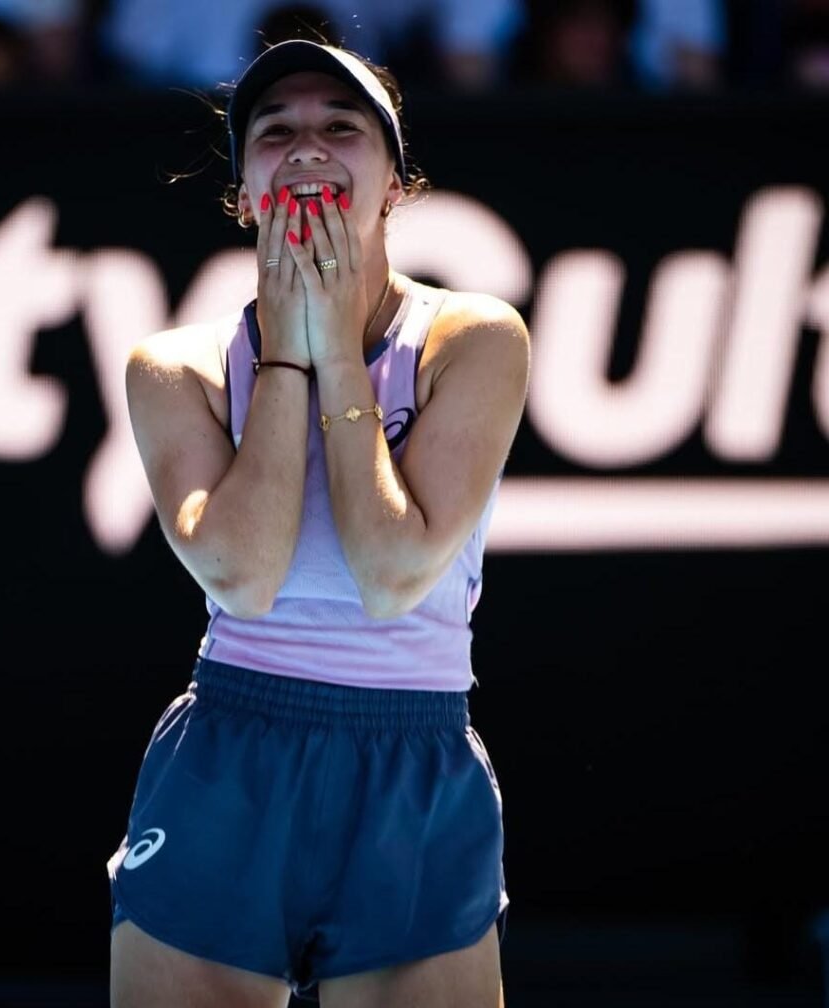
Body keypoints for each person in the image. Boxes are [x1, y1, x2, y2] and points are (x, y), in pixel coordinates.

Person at [107, 38, 530, 1007]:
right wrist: (292, 351)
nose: (305, 146)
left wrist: (332, 343)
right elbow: (244, 578)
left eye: (341, 128)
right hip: (230, 758)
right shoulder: (174, 366)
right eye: (274, 132)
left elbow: (392, 577)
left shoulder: (474, 337)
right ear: (246, 195)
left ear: (393, 186)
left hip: (414, 762)